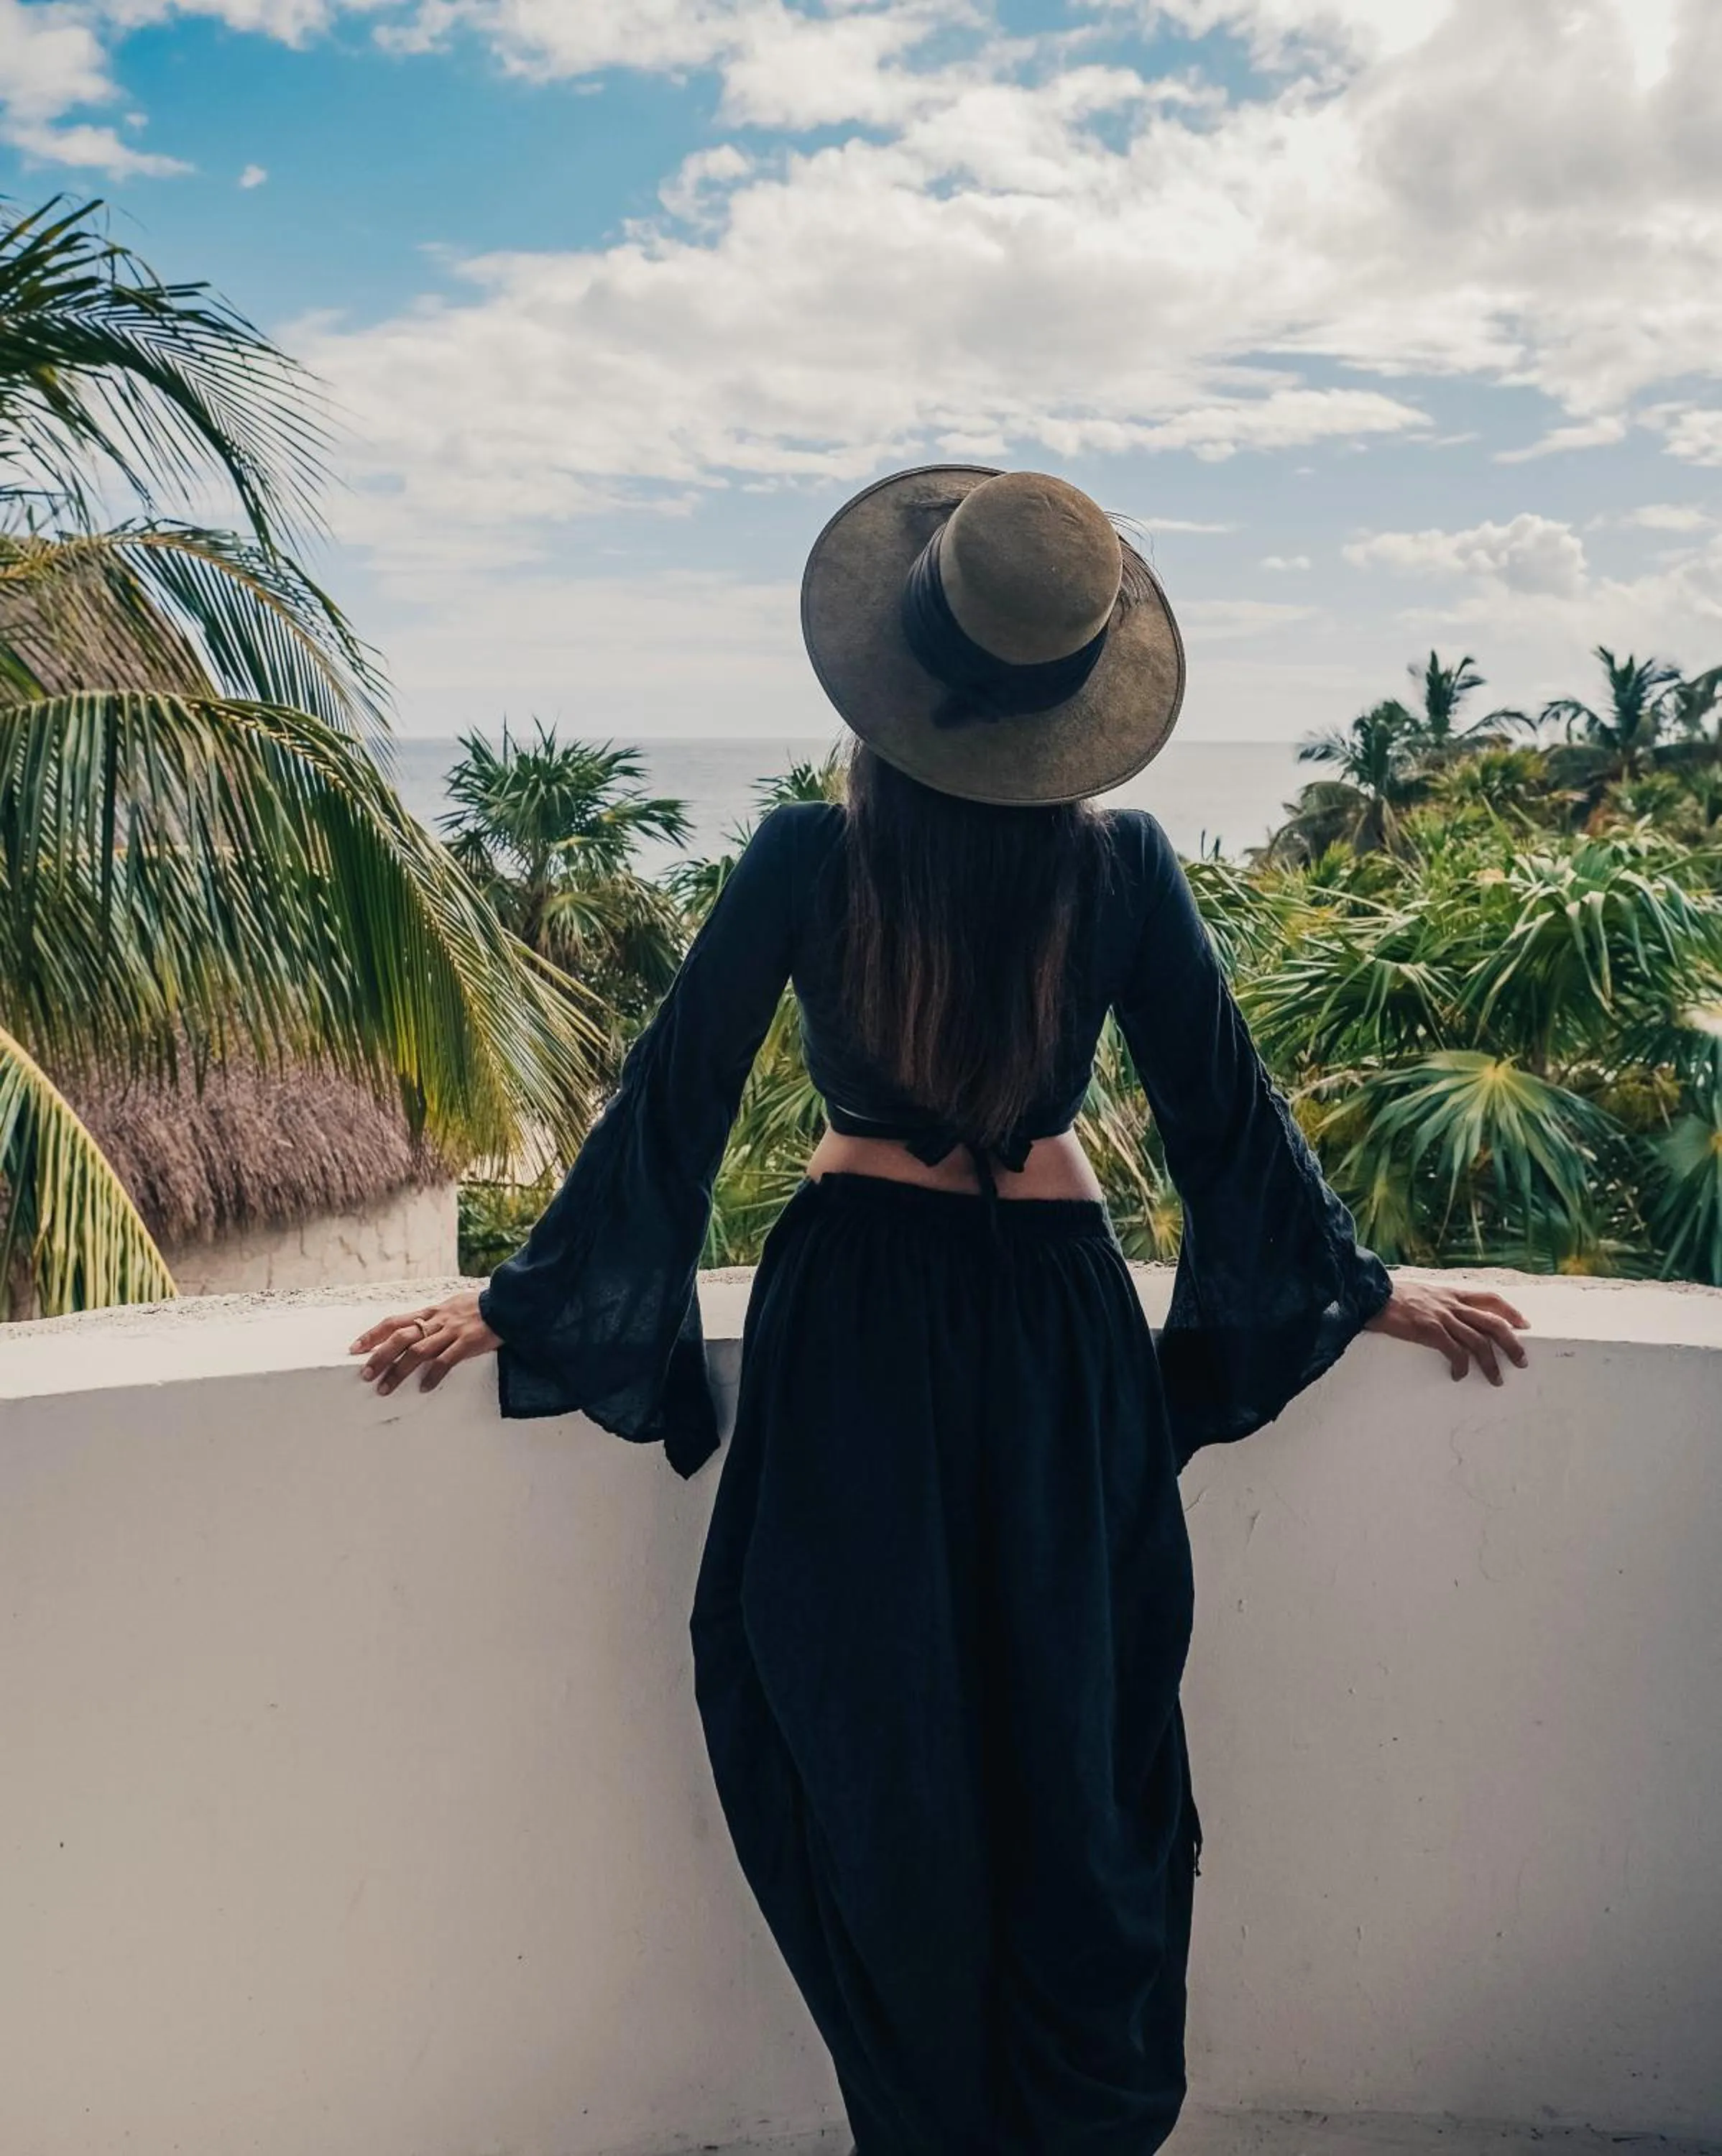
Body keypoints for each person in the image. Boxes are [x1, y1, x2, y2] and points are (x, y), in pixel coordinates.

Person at [350, 466, 1529, 2156]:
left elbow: (671, 1102)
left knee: (864, 1730)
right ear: (1073, 711)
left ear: (893, 676)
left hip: (855, 1337)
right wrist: (1354, 1287)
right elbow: (1220, 1117)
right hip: (1055, 1337)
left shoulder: (804, 855)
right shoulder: (1118, 866)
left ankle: (927, 2120)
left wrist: (530, 1301)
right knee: (1071, 1734)